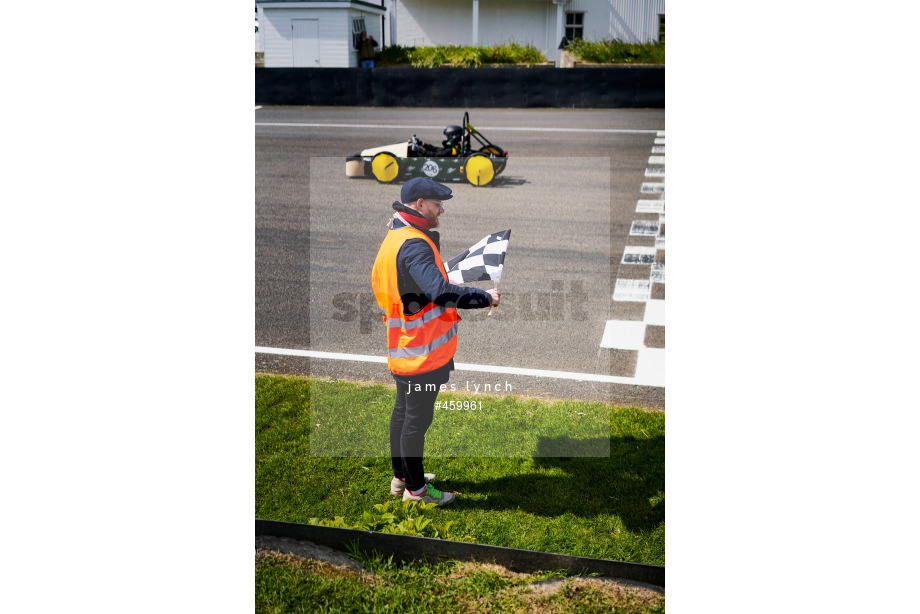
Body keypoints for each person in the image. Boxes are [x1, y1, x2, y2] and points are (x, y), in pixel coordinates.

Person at [371, 177, 500, 506]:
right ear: (419, 205)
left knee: (402, 415)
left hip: (403, 347)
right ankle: (417, 492)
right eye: (436, 204)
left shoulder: (397, 235)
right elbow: (439, 292)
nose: (441, 209)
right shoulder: (414, 243)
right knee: (416, 422)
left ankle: (401, 478)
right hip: (422, 356)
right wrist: (484, 297)